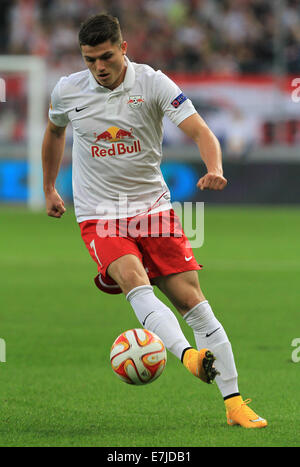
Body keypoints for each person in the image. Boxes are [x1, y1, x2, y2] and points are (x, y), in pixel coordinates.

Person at [42, 13, 267, 429]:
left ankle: (235, 404)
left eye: (106, 57)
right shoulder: (68, 90)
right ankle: (188, 357)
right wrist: (49, 186)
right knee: (132, 277)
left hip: (152, 210)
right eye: (89, 60)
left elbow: (200, 130)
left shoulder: (153, 83)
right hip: (100, 213)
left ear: (123, 48)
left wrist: (214, 166)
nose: (98, 67)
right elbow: (55, 132)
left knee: (193, 303)